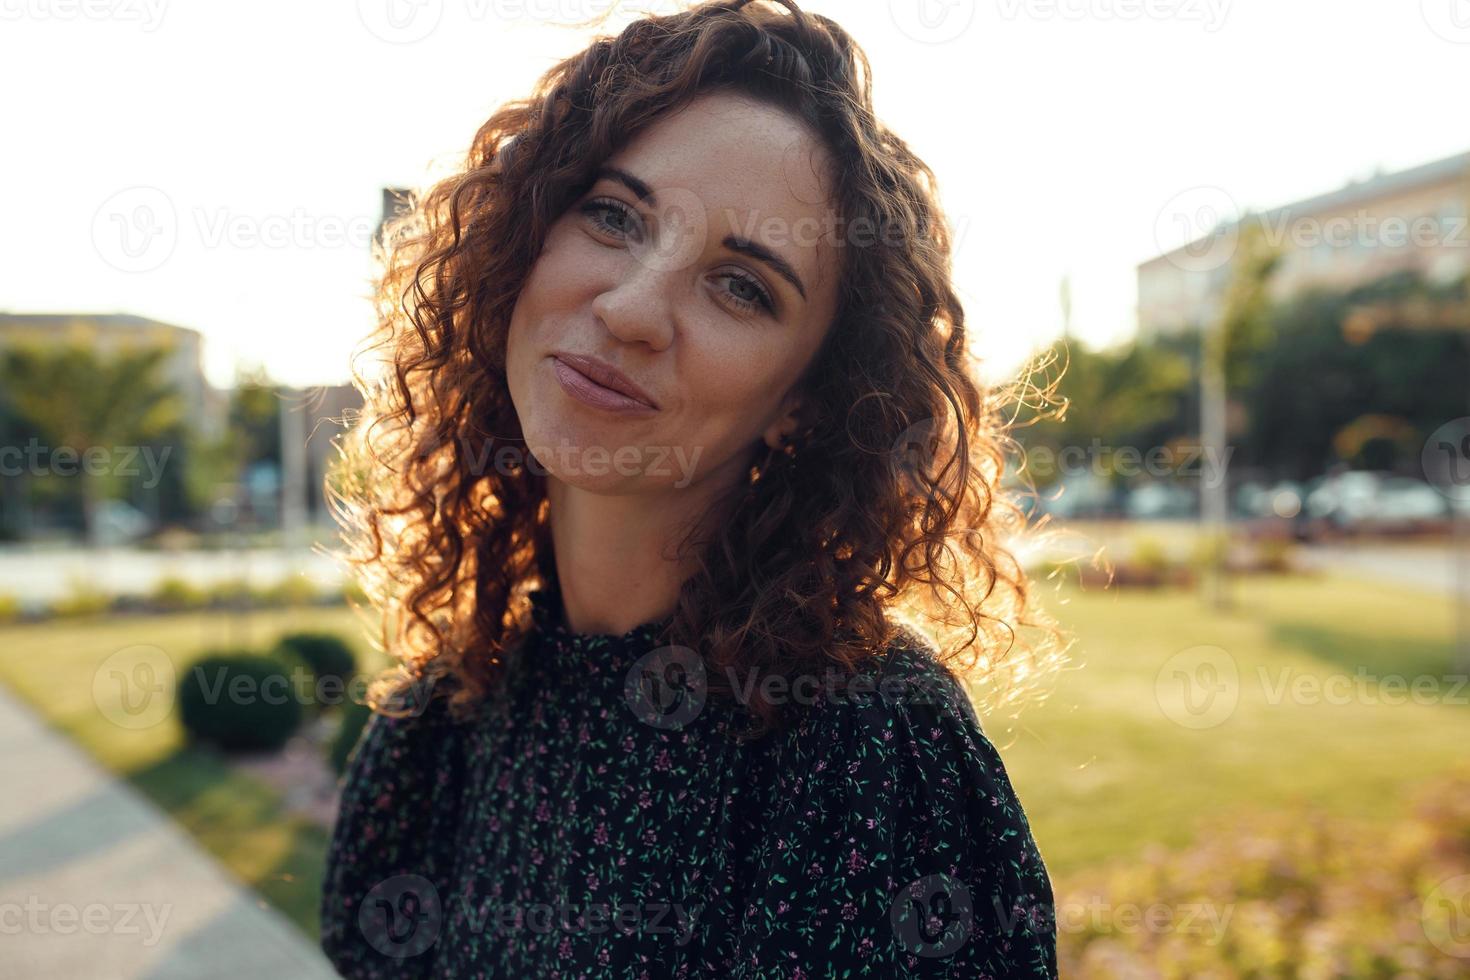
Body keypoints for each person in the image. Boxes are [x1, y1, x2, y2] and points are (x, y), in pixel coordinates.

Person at [319, 1, 1062, 975]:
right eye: (614, 215)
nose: (630, 309)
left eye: (742, 286)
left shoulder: (874, 754)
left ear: (805, 400)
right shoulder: (438, 727)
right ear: (525, 236)